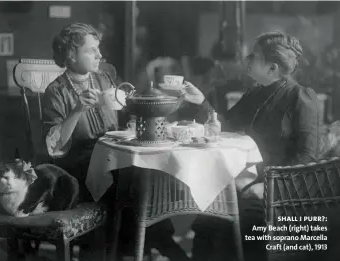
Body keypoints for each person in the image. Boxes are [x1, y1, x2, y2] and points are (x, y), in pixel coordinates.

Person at [42, 23, 190, 261]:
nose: (99, 55)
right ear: (70, 54)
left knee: (146, 173)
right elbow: (54, 146)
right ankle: (155, 244)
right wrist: (78, 109)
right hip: (78, 164)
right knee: (131, 177)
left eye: (98, 49)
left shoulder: (104, 79)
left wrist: (135, 118)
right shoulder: (56, 91)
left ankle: (148, 242)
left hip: (112, 152)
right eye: (91, 50)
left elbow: (126, 108)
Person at [180, 32, 320, 261]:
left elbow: (308, 156)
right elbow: (225, 124)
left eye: (253, 56)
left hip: (286, 190)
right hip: (249, 182)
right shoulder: (257, 92)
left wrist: (269, 186)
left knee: (239, 222)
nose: (247, 59)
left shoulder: (301, 98)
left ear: (272, 67)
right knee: (207, 219)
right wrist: (201, 102)